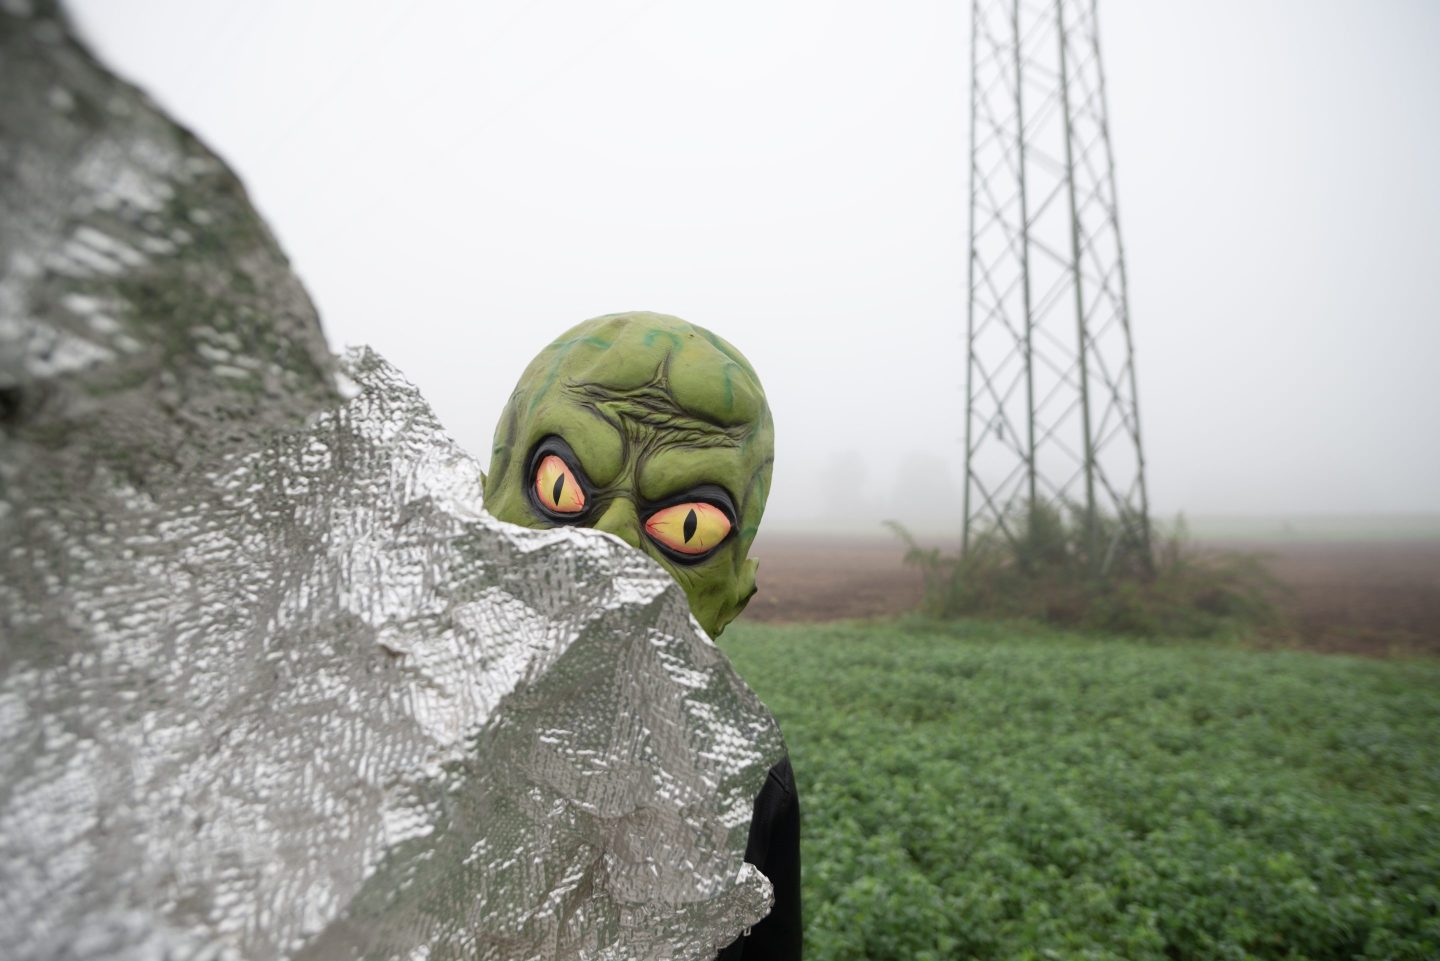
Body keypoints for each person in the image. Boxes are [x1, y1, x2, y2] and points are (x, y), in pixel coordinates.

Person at [483, 311, 801, 960]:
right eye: (562, 486)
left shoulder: (750, 787)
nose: (613, 552)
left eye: (689, 526)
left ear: (736, 591)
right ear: (481, 501)